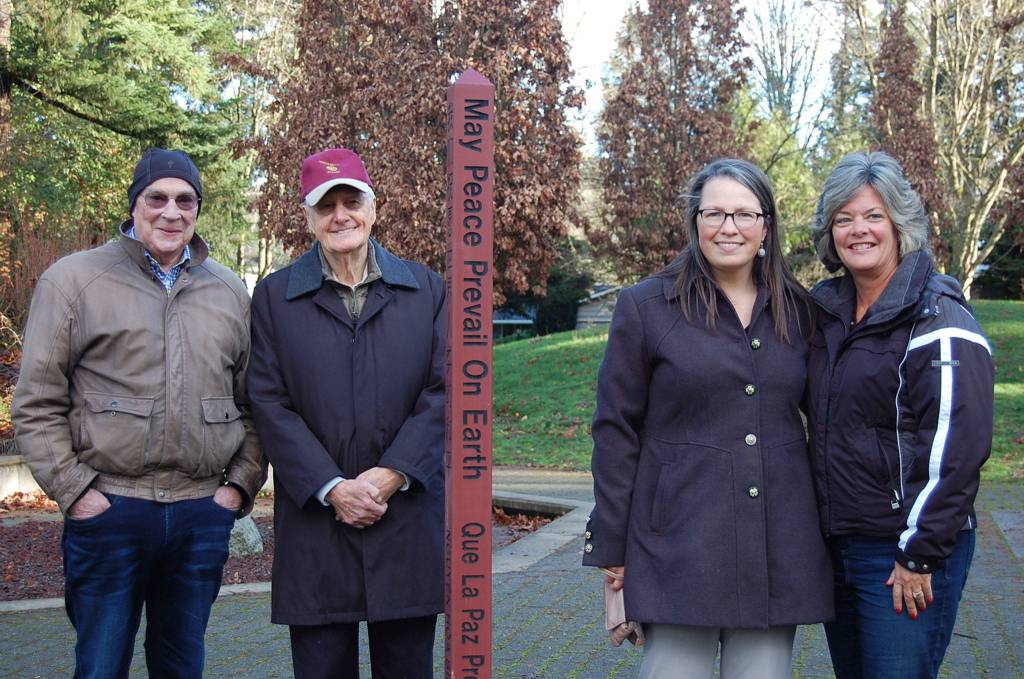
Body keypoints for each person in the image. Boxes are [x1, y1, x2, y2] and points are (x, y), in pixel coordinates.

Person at [12, 148, 265, 678]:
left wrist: (237, 489)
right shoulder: (74, 281)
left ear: (197, 209)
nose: (171, 212)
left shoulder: (227, 291)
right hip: (111, 510)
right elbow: (37, 404)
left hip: (201, 514)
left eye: (185, 200)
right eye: (157, 198)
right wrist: (77, 494)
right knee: (101, 665)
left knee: (181, 665)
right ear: (134, 205)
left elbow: (255, 405)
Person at [583, 158, 833, 678]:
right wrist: (612, 549)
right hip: (678, 543)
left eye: (745, 214)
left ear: (766, 226)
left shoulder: (801, 312)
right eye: (714, 213)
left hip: (775, 544)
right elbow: (615, 430)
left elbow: (831, 421)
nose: (729, 227)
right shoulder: (647, 307)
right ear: (695, 221)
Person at [247, 147, 445, 679]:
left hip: (403, 521)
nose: (341, 216)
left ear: (372, 208)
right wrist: (333, 486)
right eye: (326, 205)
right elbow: (268, 402)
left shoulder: (426, 291)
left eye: (351, 200)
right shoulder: (273, 299)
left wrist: (389, 476)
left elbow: (443, 392)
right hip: (317, 530)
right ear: (308, 217)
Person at [806, 151, 994, 679]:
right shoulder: (827, 315)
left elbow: (957, 447)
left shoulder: (939, 317)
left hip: (905, 553)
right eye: (844, 219)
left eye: (872, 216)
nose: (857, 230)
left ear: (899, 224)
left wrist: (919, 553)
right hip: (840, 545)